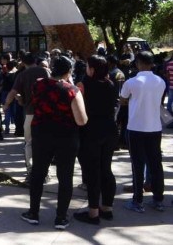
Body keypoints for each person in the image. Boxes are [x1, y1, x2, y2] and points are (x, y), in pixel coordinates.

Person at [21, 56, 87, 230]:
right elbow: (81, 120)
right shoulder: (73, 91)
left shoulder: (38, 84)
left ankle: (33, 213)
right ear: (69, 71)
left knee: (38, 173)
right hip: (66, 136)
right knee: (65, 176)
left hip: (42, 134)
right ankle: (60, 217)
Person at [120, 51, 167, 213]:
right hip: (155, 128)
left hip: (135, 128)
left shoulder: (131, 82)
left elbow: (123, 99)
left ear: (138, 63)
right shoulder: (160, 81)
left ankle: (137, 200)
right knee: (156, 164)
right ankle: (158, 199)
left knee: (137, 165)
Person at [73, 55, 118, 224]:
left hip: (91, 130)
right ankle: (107, 208)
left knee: (92, 171)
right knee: (106, 169)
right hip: (110, 129)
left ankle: (93, 213)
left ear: (92, 69)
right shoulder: (111, 84)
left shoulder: (83, 85)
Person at [2, 52, 50, 179]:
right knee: (44, 143)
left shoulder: (22, 75)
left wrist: (6, 105)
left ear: (23, 62)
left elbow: (13, 92)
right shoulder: (46, 72)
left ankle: (31, 170)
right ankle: (45, 172)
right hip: (46, 113)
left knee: (29, 143)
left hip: (30, 113)